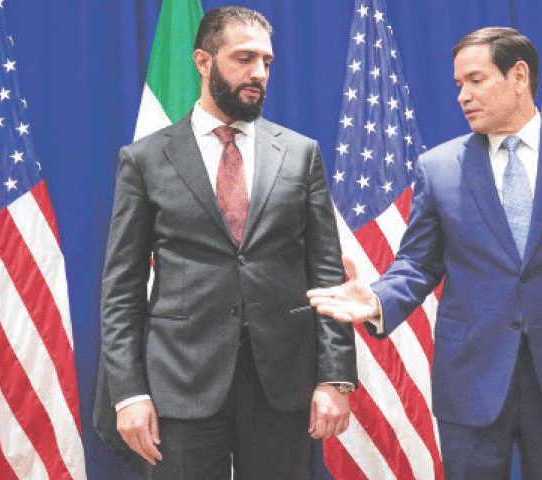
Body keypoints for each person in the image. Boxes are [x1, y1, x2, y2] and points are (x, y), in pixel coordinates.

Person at [308, 27, 542, 479]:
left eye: (476, 80)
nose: (463, 95)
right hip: (470, 379)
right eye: (459, 85)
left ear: (518, 76)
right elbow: (418, 264)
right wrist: (378, 299)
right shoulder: (438, 168)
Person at [93, 6, 356, 479]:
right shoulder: (145, 160)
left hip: (282, 383)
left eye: (267, 62)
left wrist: (336, 378)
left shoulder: (301, 154)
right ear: (202, 60)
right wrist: (129, 392)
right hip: (180, 381)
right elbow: (121, 290)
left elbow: (328, 277)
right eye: (244, 58)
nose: (259, 73)